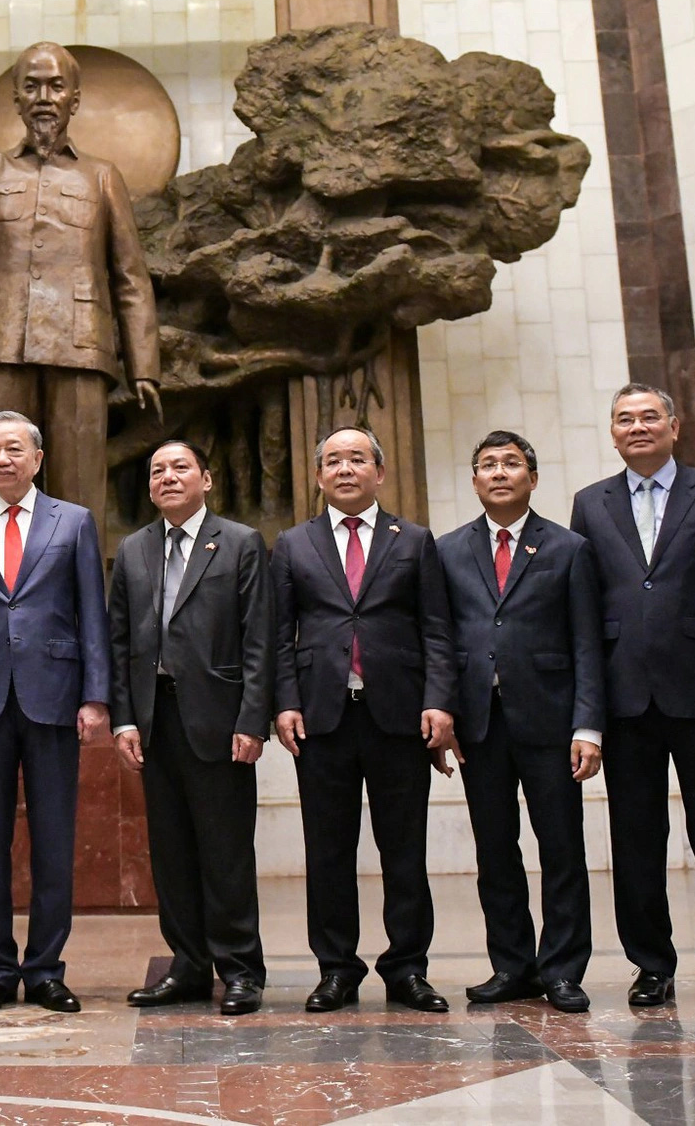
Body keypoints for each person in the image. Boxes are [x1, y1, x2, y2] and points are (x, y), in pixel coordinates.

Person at [568, 384, 695, 1010]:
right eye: (624, 419)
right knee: (635, 837)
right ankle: (650, 964)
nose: (637, 427)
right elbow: (581, 611)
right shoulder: (589, 504)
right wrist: (588, 710)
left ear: (674, 426)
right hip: (625, 696)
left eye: (649, 417)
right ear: (611, 433)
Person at [0, 43, 162, 517]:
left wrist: (143, 366)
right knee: (4, 478)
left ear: (74, 99)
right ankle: (2, 584)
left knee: (79, 484)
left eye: (55, 85)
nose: (44, 96)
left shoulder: (103, 177)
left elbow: (130, 275)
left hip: (80, 345)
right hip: (0, 341)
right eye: (32, 86)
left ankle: (80, 587)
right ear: (16, 100)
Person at [0, 411, 111, 1015]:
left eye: (13, 449)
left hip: (54, 696)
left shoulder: (74, 522)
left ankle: (47, 969)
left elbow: (92, 612)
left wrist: (95, 695)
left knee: (54, 838)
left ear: (37, 458)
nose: (1, 459)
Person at [272, 425, 457, 1014]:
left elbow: (437, 630)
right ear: (319, 475)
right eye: (333, 461)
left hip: (398, 715)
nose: (344, 469)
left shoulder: (415, 540)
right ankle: (336, 968)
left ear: (379, 472)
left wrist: (440, 700)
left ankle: (407, 967)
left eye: (357, 459)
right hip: (322, 716)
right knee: (327, 849)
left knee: (404, 848)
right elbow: (278, 636)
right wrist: (284, 701)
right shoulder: (293, 544)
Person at [434, 431, 604, 1014]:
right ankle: (511, 964)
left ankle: (561, 969)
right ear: (474, 480)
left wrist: (588, 726)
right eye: (487, 465)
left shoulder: (569, 548)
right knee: (495, 849)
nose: (499, 473)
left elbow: (587, 644)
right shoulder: (449, 549)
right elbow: (441, 640)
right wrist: (445, 716)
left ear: (532, 478)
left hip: (552, 721)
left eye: (511, 464)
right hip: (480, 724)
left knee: (560, 847)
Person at [110, 441, 272, 1016]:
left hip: (221, 720)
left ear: (207, 477)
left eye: (180, 468)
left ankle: (241, 969)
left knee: (225, 850)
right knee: (171, 851)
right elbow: (120, 641)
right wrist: (124, 716)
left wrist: (254, 719)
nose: (168, 477)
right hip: (156, 720)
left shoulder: (240, 542)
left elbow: (259, 640)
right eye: (157, 470)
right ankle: (187, 965)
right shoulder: (133, 549)